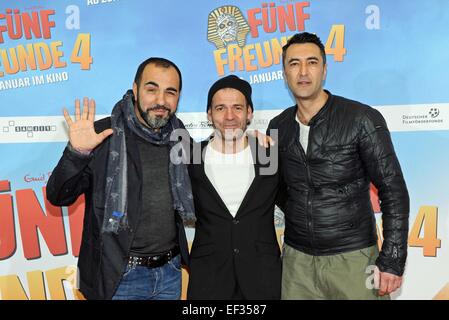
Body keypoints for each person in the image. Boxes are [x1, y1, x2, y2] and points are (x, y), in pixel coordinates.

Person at [267, 32, 410, 300]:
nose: (303, 71)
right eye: (294, 63)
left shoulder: (361, 118)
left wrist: (392, 260)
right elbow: (278, 189)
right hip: (297, 262)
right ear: (284, 73)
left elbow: (393, 189)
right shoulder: (278, 126)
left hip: (354, 258)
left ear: (324, 69)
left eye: (312, 62)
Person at [46, 57, 194, 300]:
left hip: (170, 273)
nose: (161, 100)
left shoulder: (180, 137)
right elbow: (58, 195)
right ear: (135, 90)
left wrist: (250, 142)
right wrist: (77, 153)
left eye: (170, 92)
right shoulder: (103, 136)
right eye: (151, 89)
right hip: (120, 276)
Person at [186, 75, 282, 299]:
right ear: (209, 114)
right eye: (220, 108)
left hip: (263, 277)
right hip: (208, 278)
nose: (229, 116)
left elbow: (296, 200)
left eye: (237, 107)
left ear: (249, 113)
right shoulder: (189, 158)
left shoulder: (270, 155)